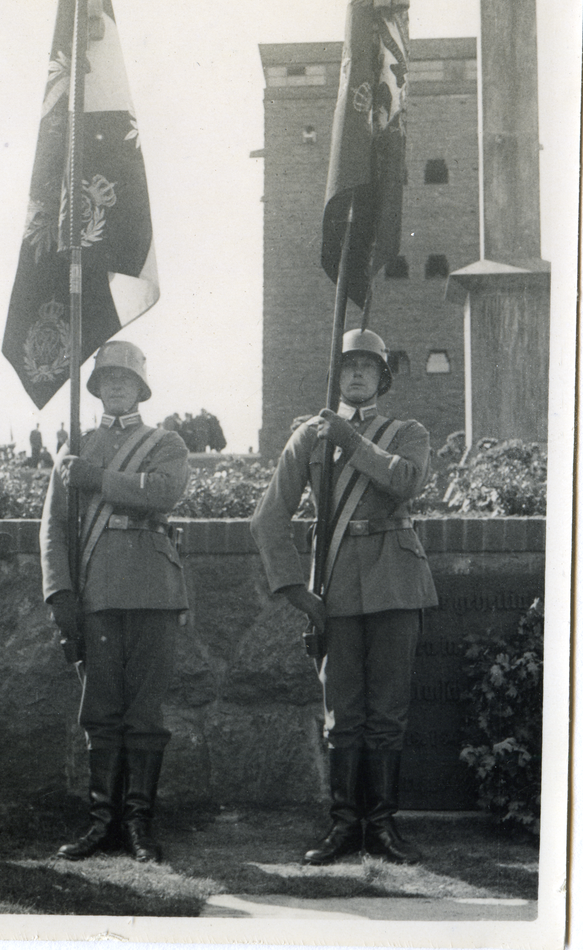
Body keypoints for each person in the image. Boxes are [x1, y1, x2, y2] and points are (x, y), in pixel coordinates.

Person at [251, 328, 438, 865]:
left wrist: (351, 442)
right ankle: (342, 826)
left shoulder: (408, 432)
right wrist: (294, 590)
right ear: (335, 375)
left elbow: (404, 481)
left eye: (367, 366)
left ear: (383, 378)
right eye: (347, 365)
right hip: (334, 588)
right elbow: (267, 518)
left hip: (397, 583)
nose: (356, 373)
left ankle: (382, 826)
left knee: (388, 712)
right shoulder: (308, 438)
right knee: (343, 713)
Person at [39, 341, 189, 863]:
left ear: (141, 387)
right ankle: (102, 821)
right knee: (101, 710)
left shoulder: (165, 441)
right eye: (107, 379)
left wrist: (99, 479)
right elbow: (54, 528)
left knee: (145, 711)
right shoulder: (76, 446)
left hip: (153, 587)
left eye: (126, 378)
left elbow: (166, 491)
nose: (117, 385)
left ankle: (139, 824)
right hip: (97, 588)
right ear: (97, 388)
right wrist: (60, 591)